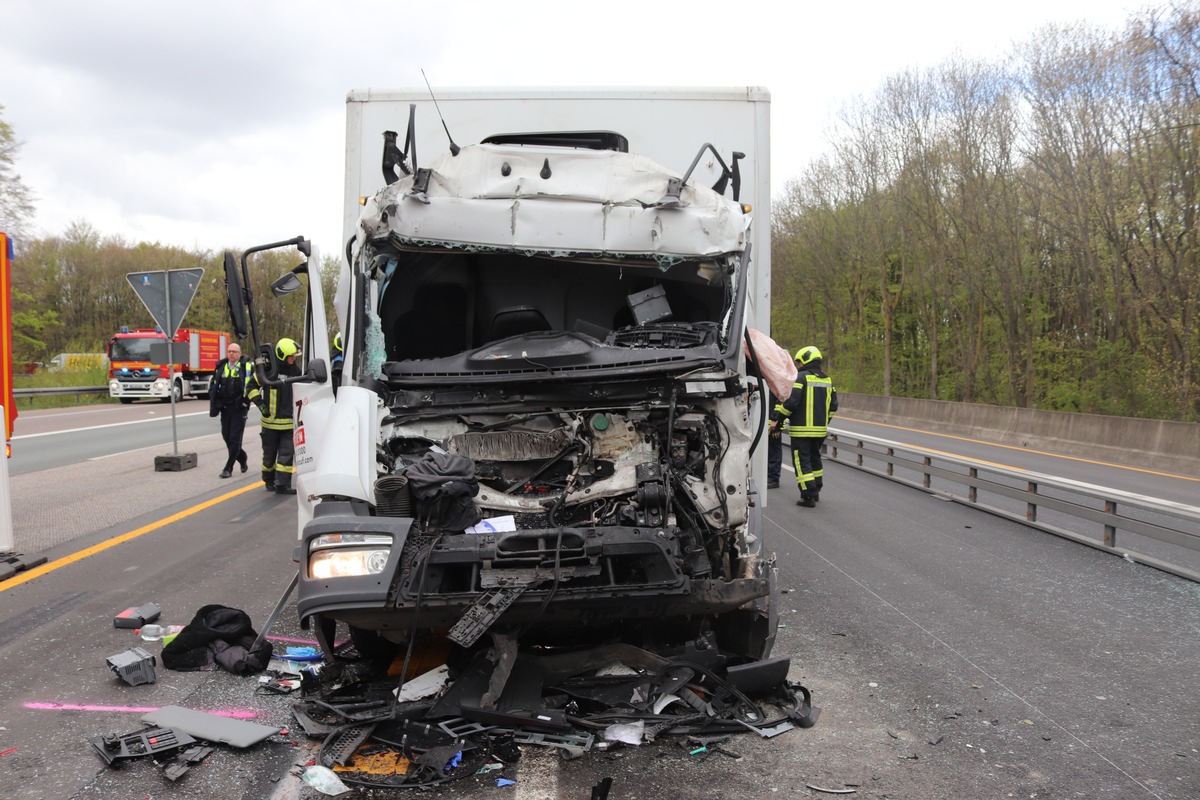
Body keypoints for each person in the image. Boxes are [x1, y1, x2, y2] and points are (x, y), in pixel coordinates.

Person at [770, 345, 837, 507]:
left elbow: (790, 404)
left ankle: (807, 496)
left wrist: (777, 421)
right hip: (820, 431)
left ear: (806, 359)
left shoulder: (801, 379)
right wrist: (823, 422)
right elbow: (833, 407)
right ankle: (816, 490)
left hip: (801, 431)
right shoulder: (827, 380)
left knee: (802, 462)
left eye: (799, 362)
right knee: (815, 461)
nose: (799, 365)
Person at [247, 337, 301, 495]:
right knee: (269, 456)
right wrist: (260, 404)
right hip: (270, 423)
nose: (293, 359)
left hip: (288, 423)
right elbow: (251, 386)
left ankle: (283, 484)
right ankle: (268, 479)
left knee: (286, 454)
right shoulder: (269, 370)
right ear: (283, 355)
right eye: (291, 357)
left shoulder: (296, 371)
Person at [209, 343, 252, 479]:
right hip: (225, 408)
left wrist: (245, 401)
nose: (231, 354)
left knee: (234, 439)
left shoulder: (247, 367)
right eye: (229, 351)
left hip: (239, 408)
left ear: (239, 353)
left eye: (234, 351)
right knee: (226, 437)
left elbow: (250, 385)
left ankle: (228, 468)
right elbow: (214, 386)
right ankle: (242, 457)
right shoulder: (221, 367)